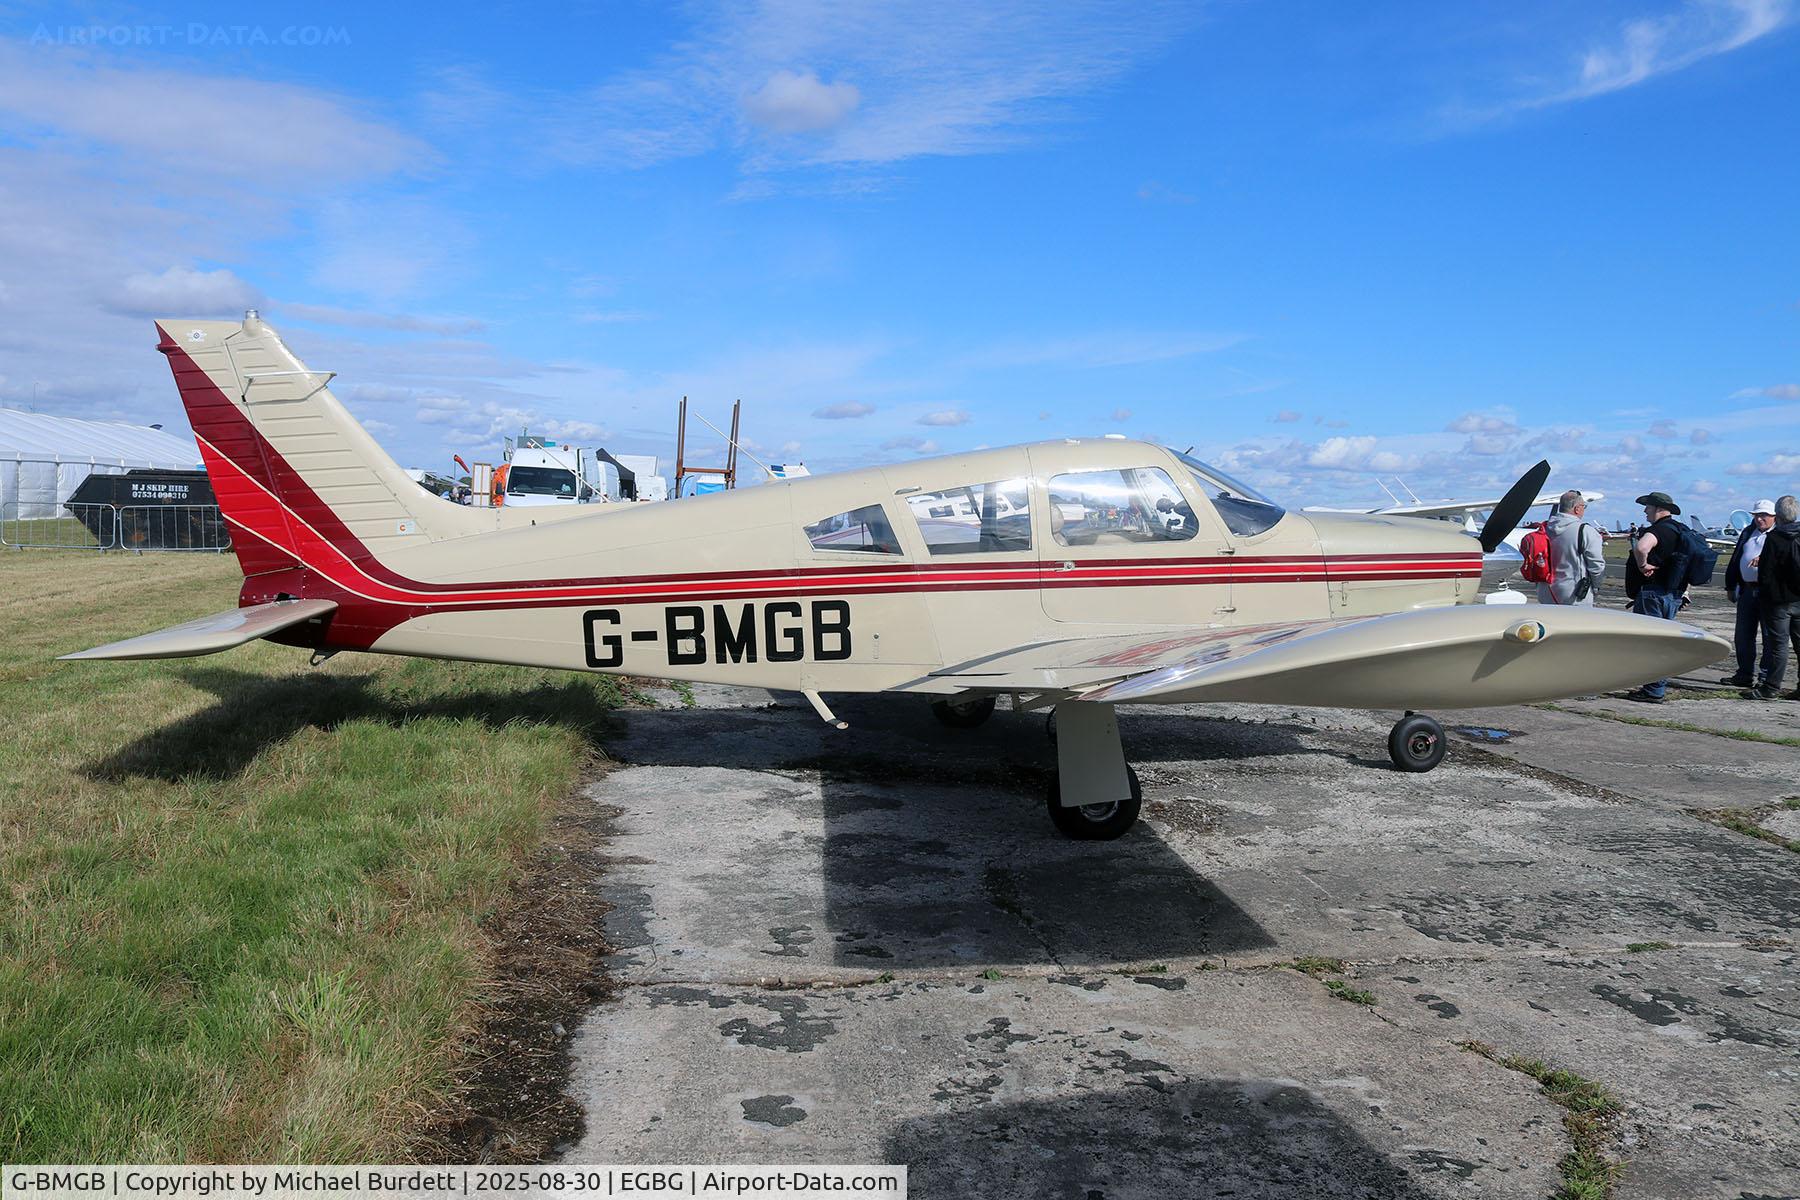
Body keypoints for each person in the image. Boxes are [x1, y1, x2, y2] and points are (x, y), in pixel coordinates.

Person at [1623, 491, 1691, 703]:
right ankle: (1655, 685)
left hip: (1653, 593)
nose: (1645, 511)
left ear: (1659, 509)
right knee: (1663, 641)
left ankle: (1653, 689)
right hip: (1674, 593)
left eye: (1648, 507)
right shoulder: (1681, 530)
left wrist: (1643, 565)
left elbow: (1642, 547)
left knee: (1651, 642)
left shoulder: (1658, 530)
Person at [1722, 499, 1778, 686]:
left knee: (1770, 638)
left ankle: (1765, 677)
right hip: (1747, 590)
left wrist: (1764, 558)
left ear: (1774, 517)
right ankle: (1744, 674)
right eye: (1756, 515)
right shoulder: (1748, 532)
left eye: (1764, 515)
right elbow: (1736, 558)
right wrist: (1730, 585)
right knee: (1743, 635)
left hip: (1769, 593)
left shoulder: (1780, 535)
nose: (1759, 519)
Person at [1749, 494, 1800, 701]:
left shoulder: (1775, 537)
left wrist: (1763, 593)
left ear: (1777, 516)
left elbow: (1766, 572)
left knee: (1778, 646)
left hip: (1778, 600)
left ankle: (1771, 687)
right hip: (1799, 598)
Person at [1535, 489, 1606, 606]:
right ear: (1577, 509)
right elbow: (1596, 565)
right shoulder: (1586, 531)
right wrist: (1596, 586)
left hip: (1546, 592)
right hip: (1575, 594)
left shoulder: (1544, 529)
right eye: (1584, 506)